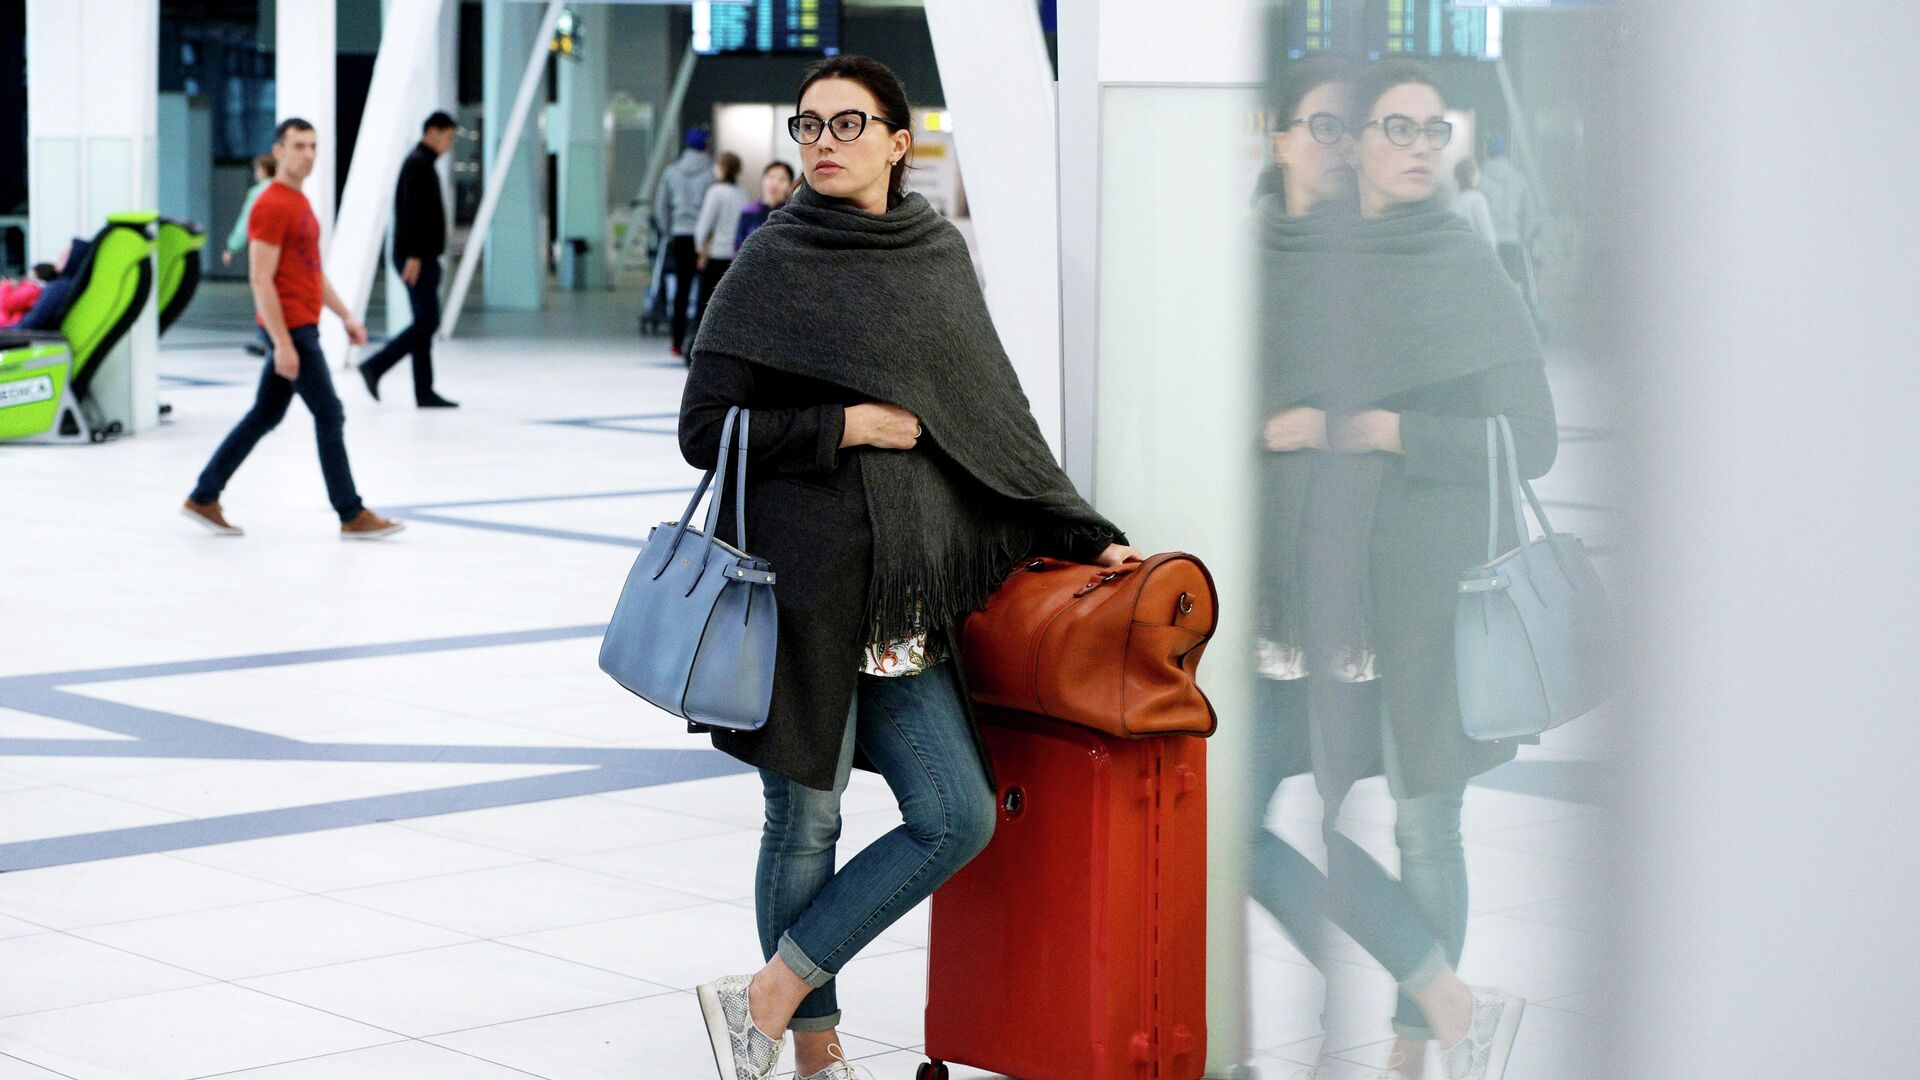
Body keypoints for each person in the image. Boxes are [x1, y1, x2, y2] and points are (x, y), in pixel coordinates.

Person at [678, 55, 1140, 1080]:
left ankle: (769, 993)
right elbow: (703, 429)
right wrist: (841, 426)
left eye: (849, 124)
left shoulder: (936, 257)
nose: (825, 142)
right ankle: (816, 1050)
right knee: (806, 818)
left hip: (903, 599)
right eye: (809, 125)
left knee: (955, 816)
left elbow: (994, 419)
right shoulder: (771, 260)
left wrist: (1084, 532)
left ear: (899, 142)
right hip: (800, 592)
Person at [1254, 60, 1531, 1080]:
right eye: (1395, 128)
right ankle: (1447, 999)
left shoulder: (1464, 262)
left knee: (1425, 826)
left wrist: (1379, 430)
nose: (1418, 147)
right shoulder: (1311, 265)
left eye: (1432, 129)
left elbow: (1532, 439)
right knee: (1233, 819)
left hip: (1424, 600)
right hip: (1302, 604)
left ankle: (1415, 1054)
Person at [183, 118, 404, 541]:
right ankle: (351, 512)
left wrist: (345, 315)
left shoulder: (300, 203)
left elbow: (312, 272)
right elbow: (260, 278)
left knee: (264, 415)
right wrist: (283, 342)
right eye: (299, 146)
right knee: (329, 412)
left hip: (303, 324)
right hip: (292, 329)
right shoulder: (271, 204)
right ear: (278, 151)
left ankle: (204, 495)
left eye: (313, 146)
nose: (308, 154)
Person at [357, 111, 459, 408]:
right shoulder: (417, 164)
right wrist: (414, 255)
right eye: (448, 137)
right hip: (417, 258)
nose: (450, 144)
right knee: (428, 322)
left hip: (422, 256)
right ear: (432, 132)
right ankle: (375, 366)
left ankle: (424, 391)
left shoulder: (423, 163)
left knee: (424, 323)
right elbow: (411, 212)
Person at [656, 127, 715, 359]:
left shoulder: (671, 172)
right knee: (705, 290)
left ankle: (676, 342)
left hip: (680, 235)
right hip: (704, 239)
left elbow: (661, 207)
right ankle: (700, 340)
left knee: (681, 290)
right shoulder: (711, 173)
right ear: (706, 145)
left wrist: (668, 232)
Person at [1476, 136, 1541, 312]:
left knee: (1490, 285)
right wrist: (1524, 239)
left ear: (1487, 153)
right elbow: (1531, 215)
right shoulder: (1519, 179)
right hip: (1514, 241)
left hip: (1490, 243)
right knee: (1514, 283)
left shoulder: (1481, 181)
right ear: (1506, 153)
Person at [691, 151, 747, 342]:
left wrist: (700, 248)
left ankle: (700, 343)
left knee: (705, 303)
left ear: (722, 168)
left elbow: (703, 226)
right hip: (736, 256)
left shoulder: (716, 192)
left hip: (715, 255)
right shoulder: (741, 193)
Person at [733, 161, 796, 250]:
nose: (774, 183)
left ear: (790, 185)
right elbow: (738, 245)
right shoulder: (749, 211)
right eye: (771, 177)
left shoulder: (792, 213)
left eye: (782, 179)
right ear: (763, 179)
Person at [1450, 157, 1498, 249]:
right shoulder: (1477, 198)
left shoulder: (1454, 200)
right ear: (1472, 176)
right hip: (1475, 250)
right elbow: (1487, 230)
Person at [0, 263, 52, 327]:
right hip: (12, 326)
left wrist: (6, 286)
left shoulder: (32, 289)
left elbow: (7, 303)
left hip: (10, 327)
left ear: (36, 274)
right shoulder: (33, 288)